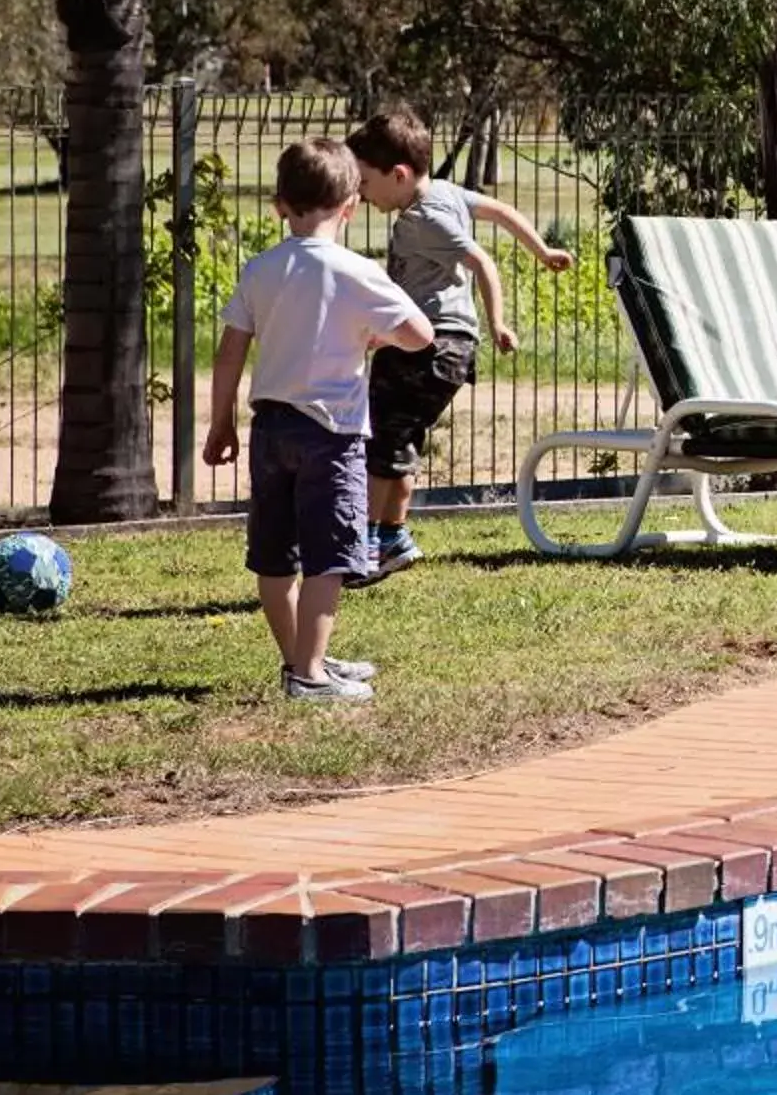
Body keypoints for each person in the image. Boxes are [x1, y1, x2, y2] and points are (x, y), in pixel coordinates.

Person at [202, 138, 434, 702]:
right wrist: (377, 336)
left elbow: (230, 350)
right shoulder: (357, 271)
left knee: (276, 553)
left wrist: (220, 422)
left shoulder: (262, 270)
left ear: (280, 204)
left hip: (271, 428)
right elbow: (421, 334)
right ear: (351, 205)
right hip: (332, 434)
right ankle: (309, 677)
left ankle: (303, 660)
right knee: (330, 556)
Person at [346, 108, 575, 582]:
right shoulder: (447, 192)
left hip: (427, 344)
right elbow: (503, 212)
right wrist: (542, 251)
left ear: (400, 174)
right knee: (402, 438)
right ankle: (393, 539)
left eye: (365, 182)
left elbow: (482, 262)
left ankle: (364, 546)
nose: (361, 194)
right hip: (451, 349)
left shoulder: (422, 218)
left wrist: (498, 321)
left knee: (381, 441)